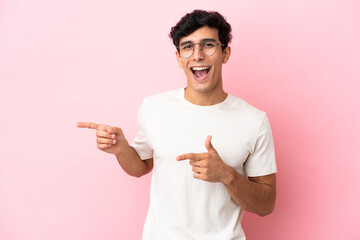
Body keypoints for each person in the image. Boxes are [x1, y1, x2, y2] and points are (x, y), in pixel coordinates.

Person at [77, 9, 277, 240]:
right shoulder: (154, 108)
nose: (197, 55)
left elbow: (266, 204)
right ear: (178, 58)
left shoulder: (254, 120)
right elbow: (141, 167)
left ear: (225, 53)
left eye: (208, 45)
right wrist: (121, 149)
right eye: (188, 46)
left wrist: (227, 176)